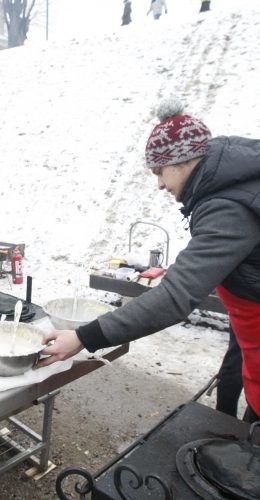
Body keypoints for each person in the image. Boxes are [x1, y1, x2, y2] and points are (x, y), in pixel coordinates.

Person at [37, 98, 260, 424]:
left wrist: (83, 338)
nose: (158, 184)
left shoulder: (228, 206)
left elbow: (173, 298)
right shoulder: (233, 187)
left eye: (159, 171)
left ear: (183, 161)